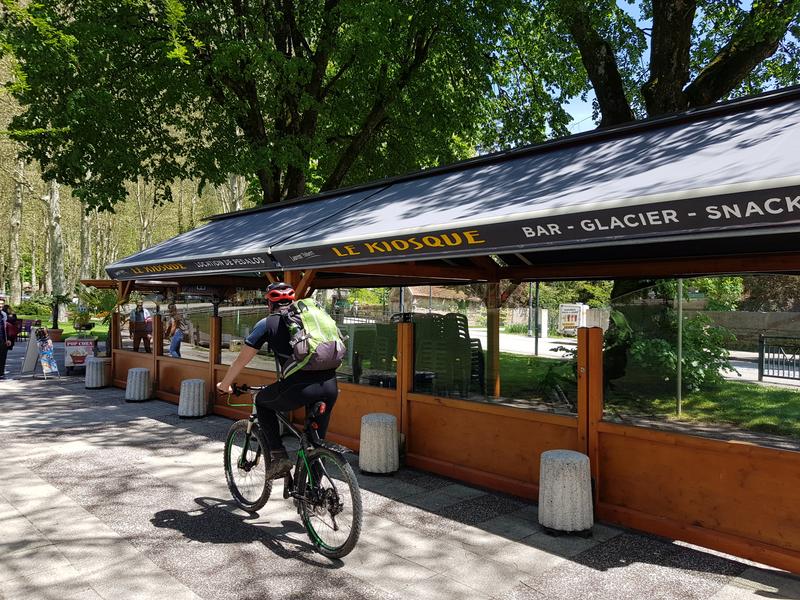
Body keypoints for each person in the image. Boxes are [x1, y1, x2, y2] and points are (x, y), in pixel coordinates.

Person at [216, 283, 339, 480]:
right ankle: (315, 495)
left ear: (269, 304)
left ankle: (278, 456)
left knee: (262, 402)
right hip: (330, 385)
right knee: (317, 443)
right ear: (292, 301)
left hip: (300, 387)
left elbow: (241, 361)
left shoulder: (267, 323)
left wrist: (224, 384)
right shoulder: (308, 319)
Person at [0, 300, 10, 380]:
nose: (1, 305)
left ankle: (1, 373)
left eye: (2, 304)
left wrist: (8, 339)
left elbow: (6, 328)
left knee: (3, 356)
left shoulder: (4, 314)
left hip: (2, 338)